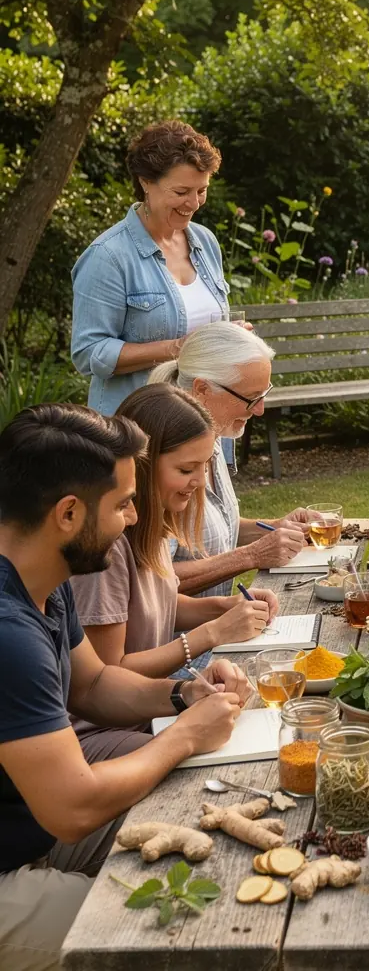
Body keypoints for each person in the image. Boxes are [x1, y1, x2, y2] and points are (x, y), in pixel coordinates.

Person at [0, 403, 250, 971]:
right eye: (121, 504)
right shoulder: (8, 634)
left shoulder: (41, 577)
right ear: (68, 513)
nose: (135, 519)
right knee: (180, 918)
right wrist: (183, 737)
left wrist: (183, 695)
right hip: (17, 859)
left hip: (30, 827)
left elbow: (93, 685)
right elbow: (72, 806)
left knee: (215, 814)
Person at [70, 383, 278, 709]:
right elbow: (106, 676)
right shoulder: (107, 549)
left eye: (205, 466)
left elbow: (159, 605)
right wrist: (211, 633)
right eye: (186, 469)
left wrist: (226, 606)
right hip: (117, 724)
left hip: (153, 708)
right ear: (143, 465)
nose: (201, 481)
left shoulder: (155, 526)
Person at [71, 120, 228, 416]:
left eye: (202, 190)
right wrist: (177, 348)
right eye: (181, 191)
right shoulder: (108, 256)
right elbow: (88, 353)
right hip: (137, 429)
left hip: (206, 419)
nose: (194, 203)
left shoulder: (206, 242)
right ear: (145, 182)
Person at [149, 322, 317, 596]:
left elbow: (213, 532)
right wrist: (250, 556)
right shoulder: (164, 455)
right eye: (251, 398)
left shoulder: (213, 440)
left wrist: (275, 528)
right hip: (182, 636)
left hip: (219, 626)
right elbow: (155, 578)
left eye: (263, 395)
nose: (260, 410)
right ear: (202, 389)